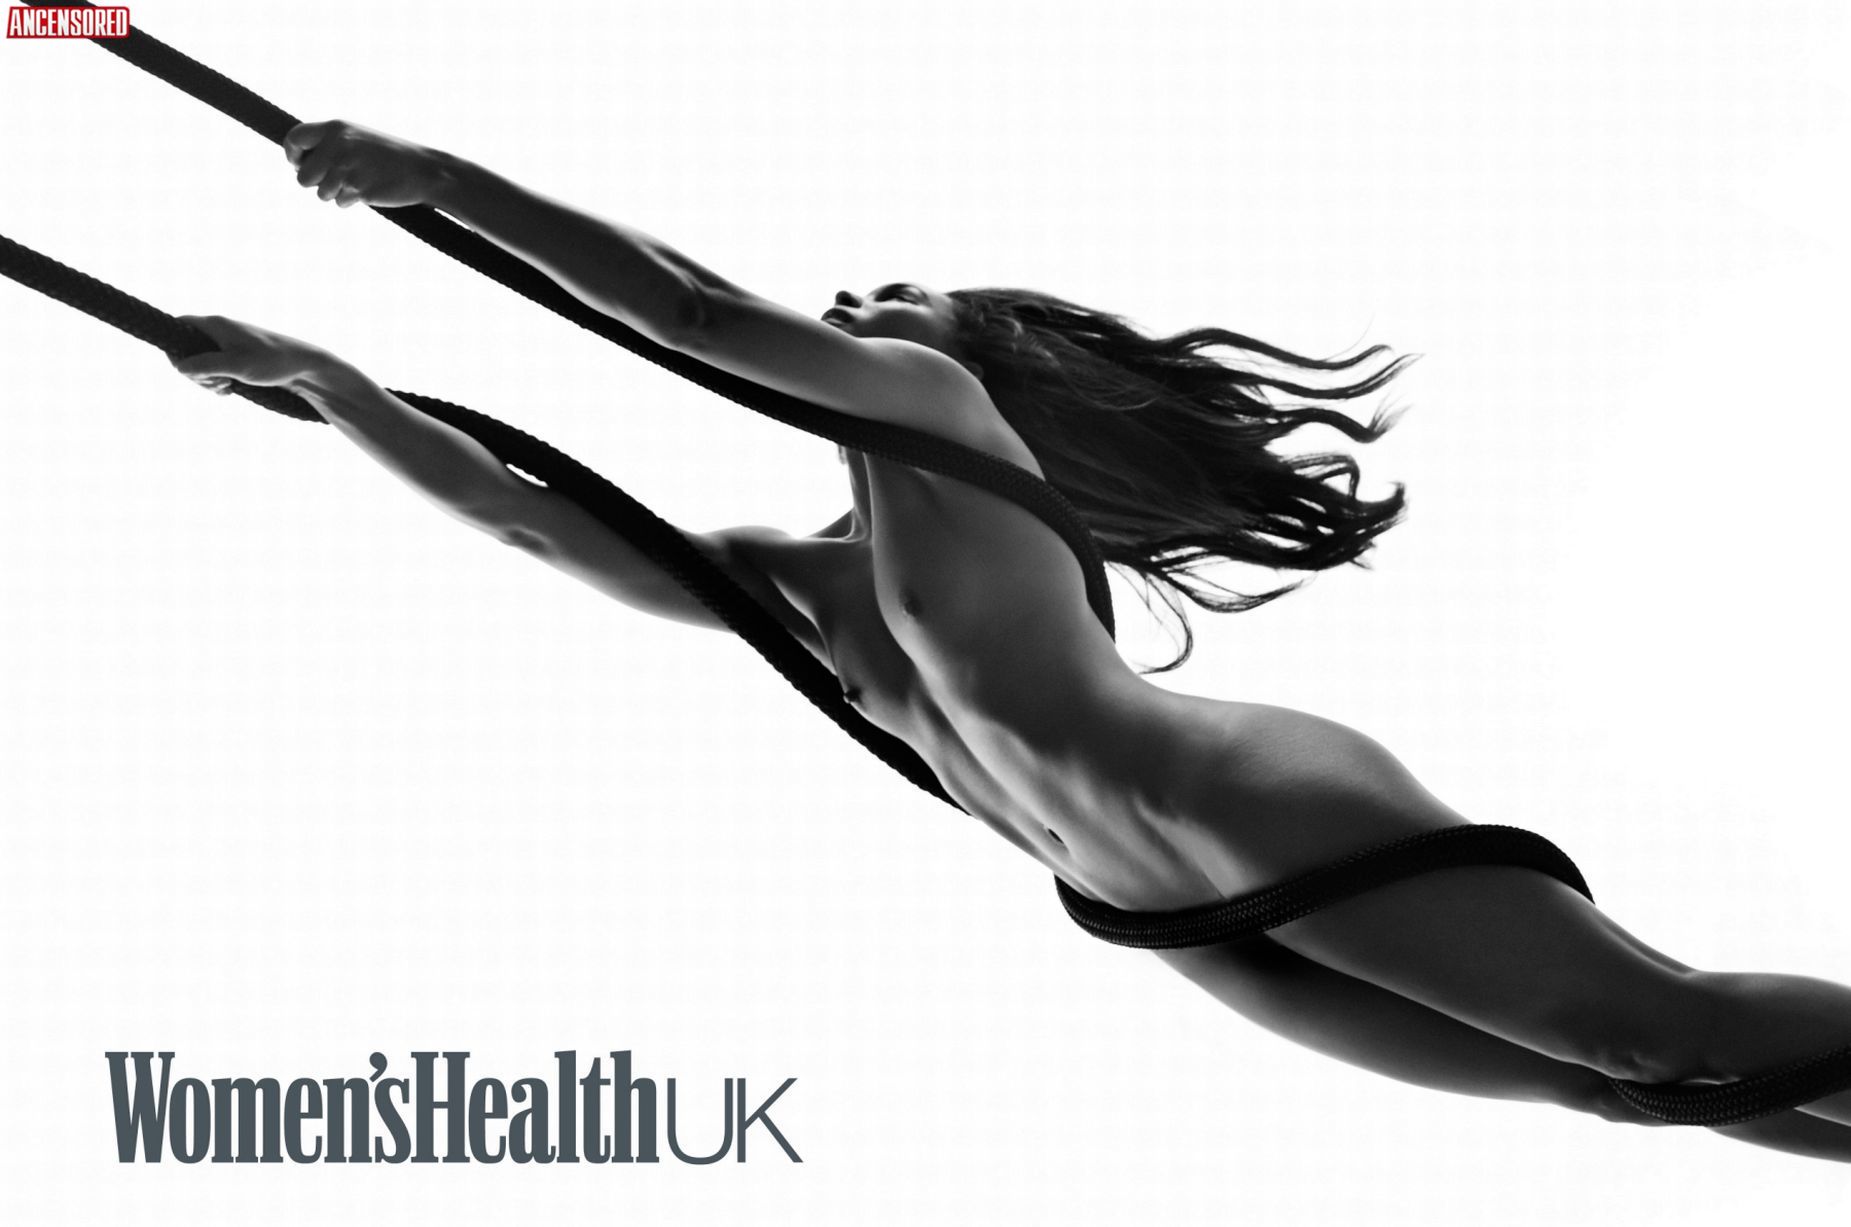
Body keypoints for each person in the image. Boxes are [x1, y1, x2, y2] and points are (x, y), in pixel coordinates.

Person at [172, 119, 1851, 1162]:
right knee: (1622, 1088)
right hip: (1158, 913)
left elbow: (687, 311)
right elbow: (531, 515)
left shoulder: (937, 403)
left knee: (1655, 1028)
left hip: (1228, 801)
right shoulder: (804, 584)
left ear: (982, 356)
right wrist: (326, 384)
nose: (856, 305)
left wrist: (441, 182)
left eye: (899, 294)